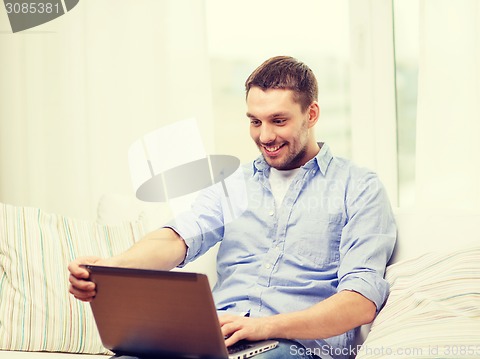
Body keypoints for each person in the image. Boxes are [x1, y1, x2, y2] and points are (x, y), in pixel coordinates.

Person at [68, 56, 396, 359]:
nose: (265, 136)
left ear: (311, 115)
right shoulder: (234, 184)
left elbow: (360, 302)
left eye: (278, 120)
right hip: (217, 341)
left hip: (295, 349)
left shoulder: (359, 187)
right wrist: (111, 269)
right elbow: (176, 239)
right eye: (255, 121)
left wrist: (263, 327)